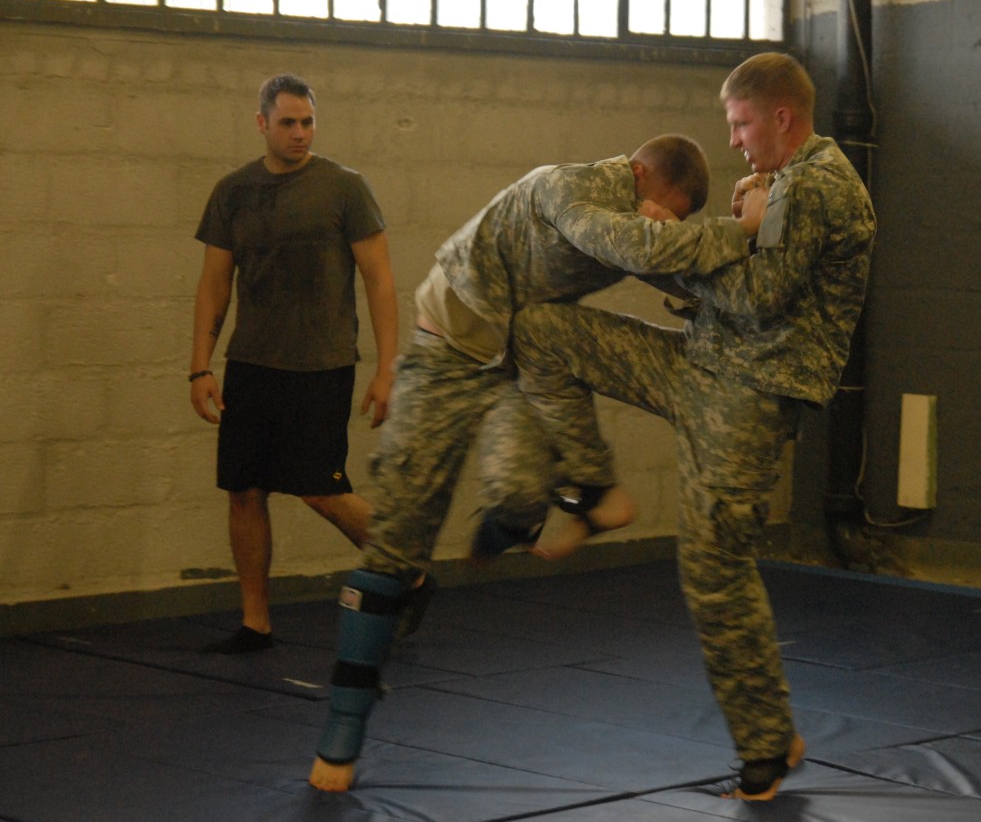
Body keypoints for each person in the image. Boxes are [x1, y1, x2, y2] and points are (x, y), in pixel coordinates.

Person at [307, 134, 769, 792]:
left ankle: (518, 521)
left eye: (673, 220)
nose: (659, 226)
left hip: (516, 359)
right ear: (635, 175)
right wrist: (742, 228)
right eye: (661, 211)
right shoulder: (567, 189)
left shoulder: (640, 224)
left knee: (522, 495)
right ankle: (343, 730)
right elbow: (636, 246)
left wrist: (760, 253)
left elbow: (676, 268)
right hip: (446, 348)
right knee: (397, 536)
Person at [510, 52, 877, 801]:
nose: (736, 142)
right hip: (698, 365)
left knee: (712, 568)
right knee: (542, 330)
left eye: (743, 125)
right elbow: (727, 268)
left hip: (748, 395)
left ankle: (767, 744)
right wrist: (665, 242)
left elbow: (756, 297)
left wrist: (660, 248)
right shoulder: (777, 182)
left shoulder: (817, 186)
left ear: (782, 117)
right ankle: (590, 485)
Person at [189, 74, 399, 655]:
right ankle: (255, 622)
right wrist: (199, 366)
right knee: (244, 490)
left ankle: (408, 568)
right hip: (252, 365)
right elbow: (214, 282)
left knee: (321, 492)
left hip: (322, 365)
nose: (300, 133)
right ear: (262, 124)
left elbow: (380, 283)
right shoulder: (233, 191)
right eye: (288, 123)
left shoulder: (345, 189)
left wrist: (387, 369)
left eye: (308, 122)